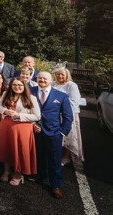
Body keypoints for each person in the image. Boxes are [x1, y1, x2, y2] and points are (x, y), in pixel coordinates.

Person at [31, 71, 73, 199]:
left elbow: (68, 116)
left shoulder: (61, 96)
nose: (42, 80)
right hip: (34, 130)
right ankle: (40, 176)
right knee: (38, 155)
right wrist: (31, 123)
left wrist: (62, 131)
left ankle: (55, 185)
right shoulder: (30, 91)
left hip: (54, 132)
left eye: (45, 79)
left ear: (50, 80)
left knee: (54, 159)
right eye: (39, 78)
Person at [0, 78, 41, 185]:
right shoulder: (5, 94)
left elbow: (37, 116)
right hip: (6, 126)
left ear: (24, 86)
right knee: (7, 148)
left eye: (20, 85)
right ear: (11, 86)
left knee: (20, 150)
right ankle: (7, 170)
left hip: (22, 128)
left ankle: (18, 173)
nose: (17, 87)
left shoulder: (31, 98)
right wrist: (5, 111)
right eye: (15, 85)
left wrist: (19, 115)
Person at [52, 65, 83, 166]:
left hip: (68, 114)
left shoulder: (71, 85)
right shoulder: (52, 84)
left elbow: (74, 101)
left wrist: (59, 105)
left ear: (66, 75)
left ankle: (66, 157)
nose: (59, 76)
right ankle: (56, 154)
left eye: (62, 74)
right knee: (57, 135)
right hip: (54, 114)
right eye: (57, 74)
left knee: (68, 136)